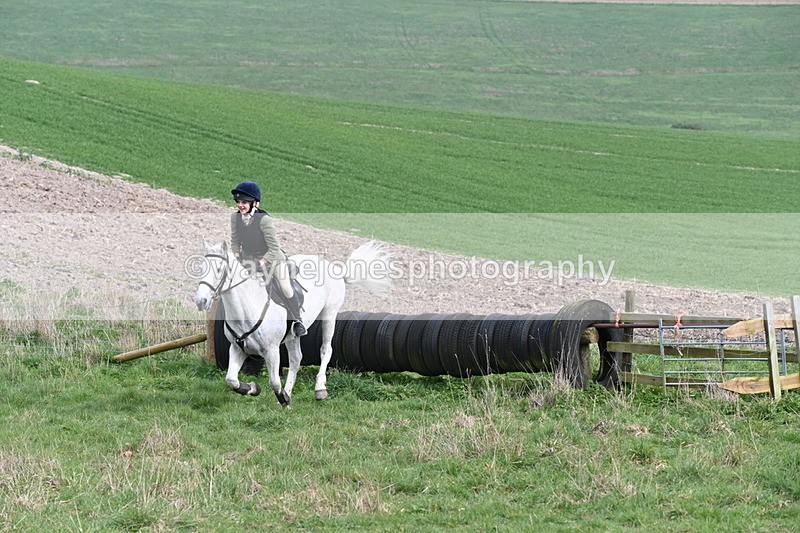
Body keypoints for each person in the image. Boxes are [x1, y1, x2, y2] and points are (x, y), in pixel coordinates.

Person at [230, 181, 306, 337]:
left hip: (272, 259)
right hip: (248, 259)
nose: (240, 205)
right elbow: (235, 241)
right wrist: (237, 257)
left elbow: (274, 248)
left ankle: (297, 321)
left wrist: (261, 263)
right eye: (238, 202)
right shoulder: (235, 218)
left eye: (244, 202)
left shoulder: (265, 220)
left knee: (285, 287)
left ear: (255, 203)